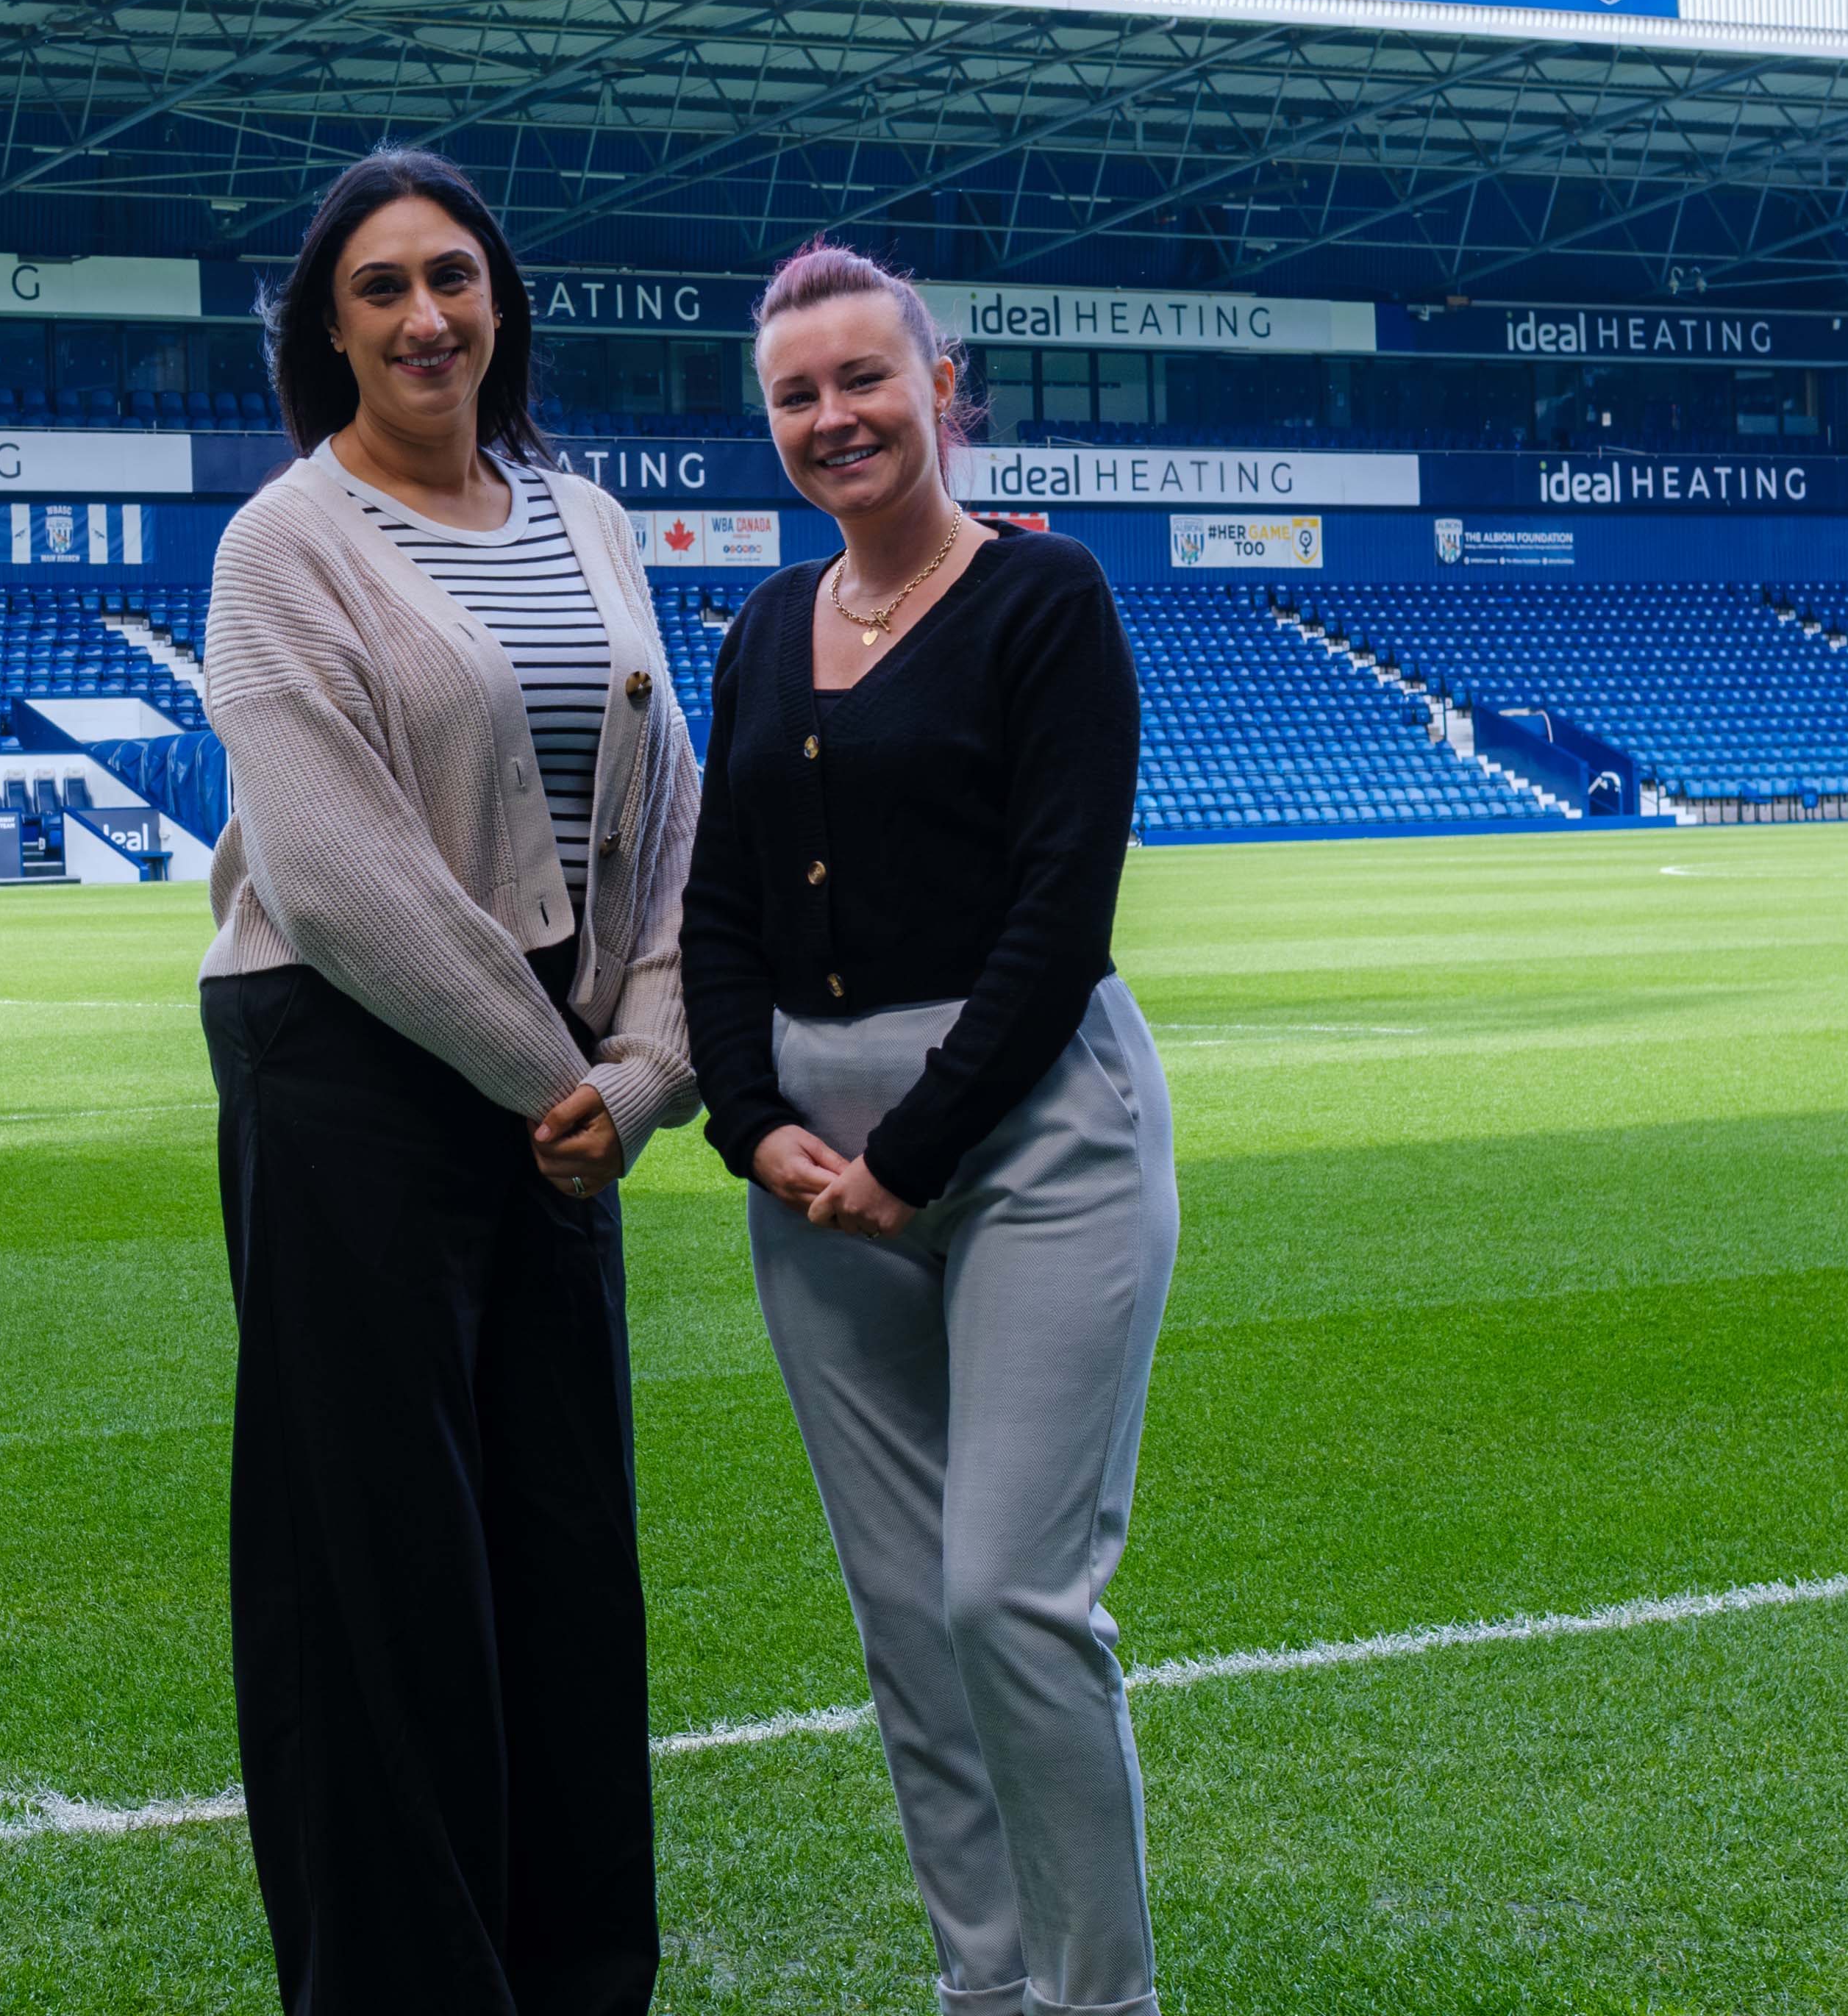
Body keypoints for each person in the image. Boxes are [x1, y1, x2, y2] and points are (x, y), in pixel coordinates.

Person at [197, 146, 703, 2016]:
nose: (428, 316)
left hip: (563, 1091)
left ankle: (577, 1977)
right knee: (380, 1573)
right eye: (382, 288)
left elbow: (668, 822)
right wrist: (544, 1073)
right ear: (328, 332)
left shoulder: (592, 519)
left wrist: (643, 1072)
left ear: (503, 299)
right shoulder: (286, 541)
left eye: (456, 276)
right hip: (352, 1073)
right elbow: (333, 870)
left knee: (570, 1550)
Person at [679, 244, 1171, 2016]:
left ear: (940, 387)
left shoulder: (1049, 601)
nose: (834, 417)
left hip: (1033, 1137)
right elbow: (717, 907)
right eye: (797, 396)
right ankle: (988, 1986)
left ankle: (1097, 1999)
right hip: (816, 1175)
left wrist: (916, 1146)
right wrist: (754, 1127)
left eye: (865, 381)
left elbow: (1060, 919)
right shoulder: (755, 631)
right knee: (906, 1625)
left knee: (1005, 1600)